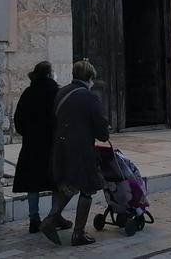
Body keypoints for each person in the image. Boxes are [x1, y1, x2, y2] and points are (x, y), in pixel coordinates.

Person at [40, 59, 110, 247]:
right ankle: (78, 233)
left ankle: (51, 219)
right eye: (92, 79)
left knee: (69, 185)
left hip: (61, 146)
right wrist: (104, 130)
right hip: (80, 149)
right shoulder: (89, 97)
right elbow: (101, 131)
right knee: (87, 188)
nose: (93, 83)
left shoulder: (61, 92)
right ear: (88, 77)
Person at [12, 61, 71, 234]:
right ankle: (54, 216)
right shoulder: (57, 93)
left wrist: (29, 135)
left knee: (33, 183)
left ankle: (34, 218)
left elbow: (19, 121)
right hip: (53, 144)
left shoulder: (28, 93)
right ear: (50, 74)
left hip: (32, 144)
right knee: (56, 181)